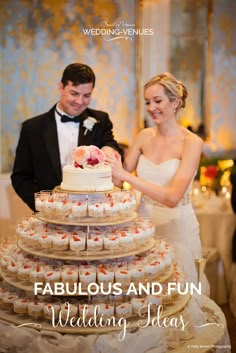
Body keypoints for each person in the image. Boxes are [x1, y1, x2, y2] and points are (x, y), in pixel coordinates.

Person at [106, 72, 209, 293]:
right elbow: (117, 179)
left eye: (158, 101)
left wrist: (127, 177)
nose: (151, 107)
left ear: (175, 102)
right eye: (147, 102)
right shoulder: (144, 136)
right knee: (144, 297)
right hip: (144, 228)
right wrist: (109, 154)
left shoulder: (192, 143)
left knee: (176, 297)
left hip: (177, 229)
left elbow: (172, 198)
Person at [11, 63, 123, 211]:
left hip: (91, 212)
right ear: (60, 87)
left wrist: (109, 149)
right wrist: (44, 206)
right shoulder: (32, 128)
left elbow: (111, 144)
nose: (80, 101)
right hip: (50, 215)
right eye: (74, 93)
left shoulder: (100, 120)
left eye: (86, 95)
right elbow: (20, 177)